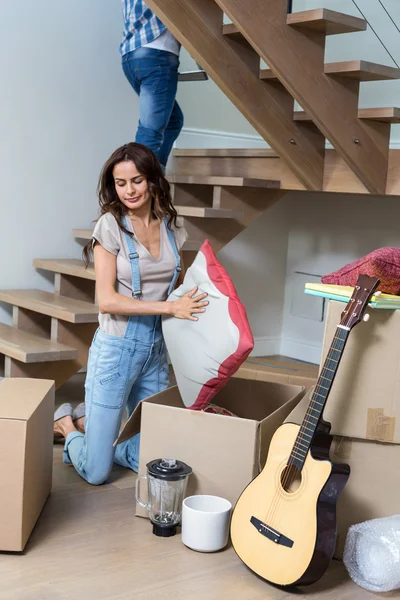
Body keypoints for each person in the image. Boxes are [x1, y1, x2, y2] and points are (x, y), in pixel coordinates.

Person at [53, 142, 208, 485]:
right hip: (116, 350)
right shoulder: (110, 226)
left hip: (155, 349)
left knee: (147, 461)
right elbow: (106, 301)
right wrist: (170, 307)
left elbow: (177, 288)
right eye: (120, 183)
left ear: (153, 180)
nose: (129, 191)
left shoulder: (171, 226)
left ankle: (90, 427)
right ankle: (67, 426)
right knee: (97, 472)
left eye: (136, 180)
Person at [120, 1, 184, 173]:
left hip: (131, 55)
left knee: (173, 121)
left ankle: (155, 176)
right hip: (157, 53)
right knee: (150, 131)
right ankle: (136, 184)